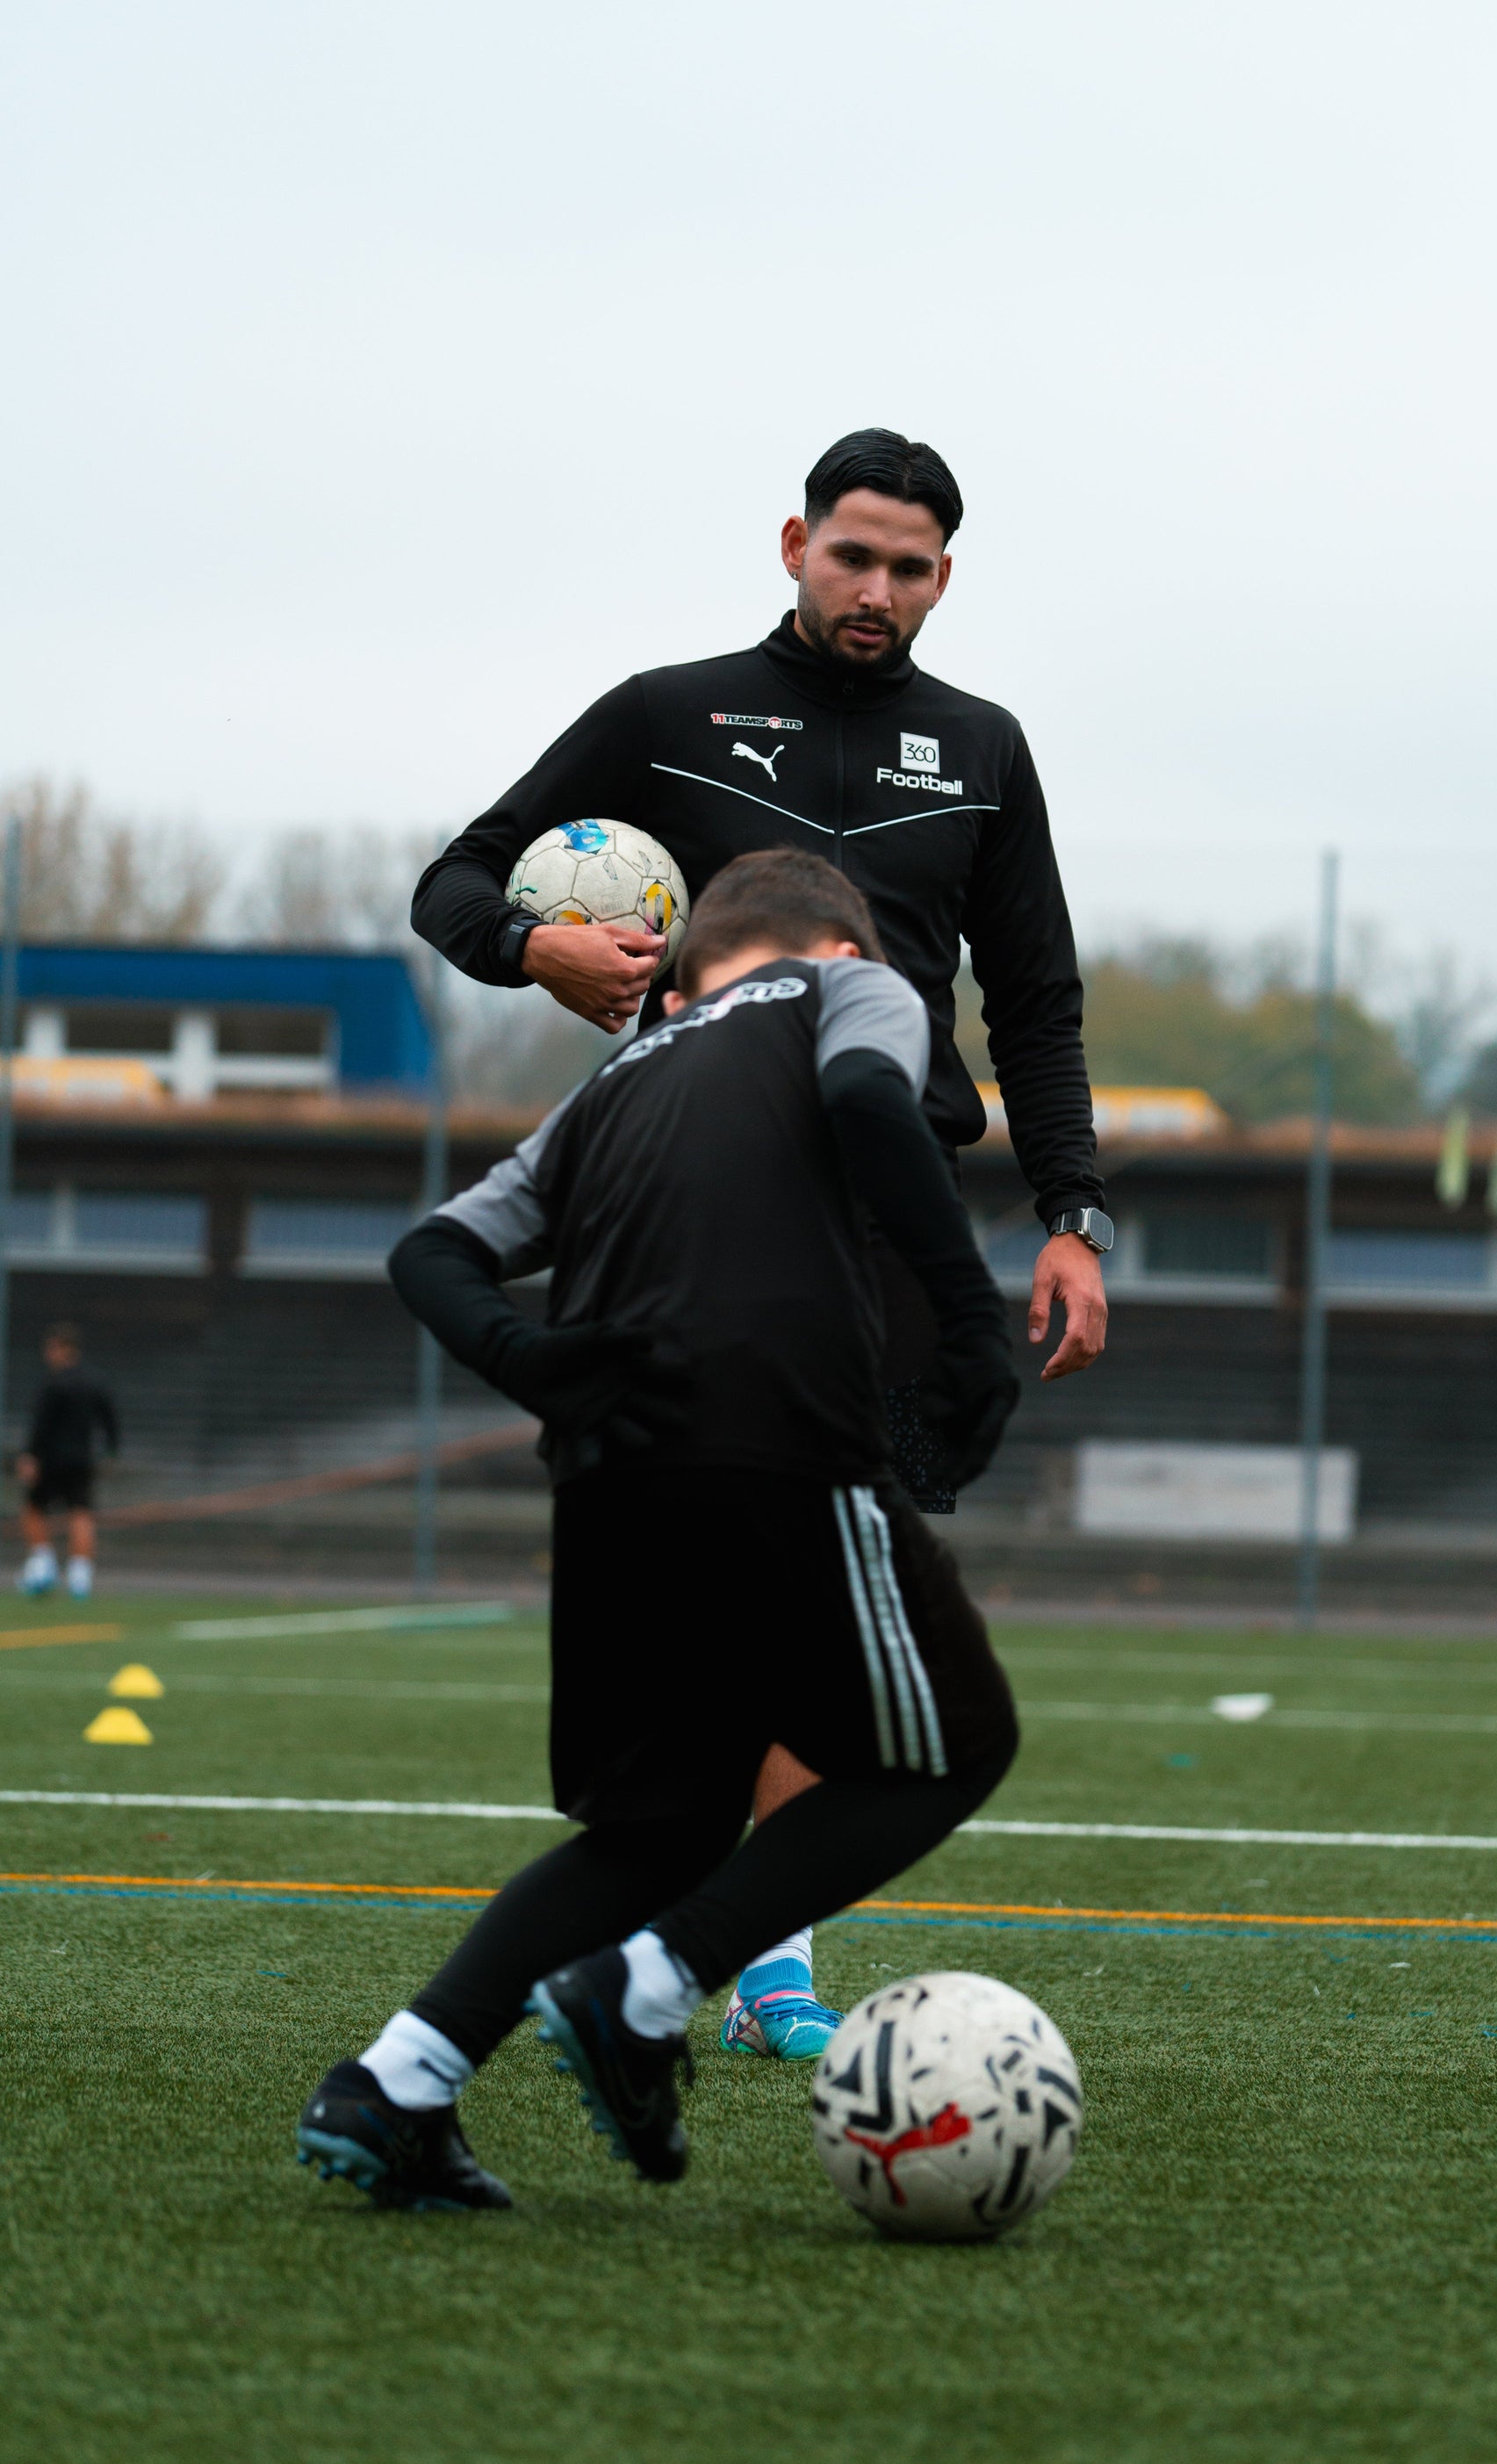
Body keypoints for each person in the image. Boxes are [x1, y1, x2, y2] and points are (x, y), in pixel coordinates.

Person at [411, 426, 1112, 2057]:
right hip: (697, 1206)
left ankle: (747, 1961)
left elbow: (1040, 1004)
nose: (876, 591)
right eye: (851, 555)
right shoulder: (668, 715)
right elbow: (452, 881)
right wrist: (539, 948)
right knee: (780, 1591)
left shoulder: (985, 748)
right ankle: (713, 1960)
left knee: (827, 1586)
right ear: (793, 543)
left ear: (947, 578)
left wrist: (1071, 1215)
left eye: (911, 567)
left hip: (884, 1207)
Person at [296, 851, 1019, 2210]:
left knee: (661, 1829)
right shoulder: (849, 991)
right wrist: (972, 1324)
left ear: (684, 979)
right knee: (955, 1746)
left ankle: (395, 2083)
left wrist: (535, 1360)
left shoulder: (615, 1084)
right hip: (775, 1445)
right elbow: (872, 1095)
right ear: (842, 945)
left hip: (609, 1483)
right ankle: (647, 1988)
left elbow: (432, 1255)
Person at [16, 1323, 118, 1600]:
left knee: (33, 1510)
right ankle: (80, 1578)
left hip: (51, 1460)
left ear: (61, 1348)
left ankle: (43, 1565)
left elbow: (41, 1425)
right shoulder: (96, 1381)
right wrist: (110, 1453)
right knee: (81, 1514)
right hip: (82, 1461)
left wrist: (31, 1456)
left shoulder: (53, 1383)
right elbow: (110, 1421)